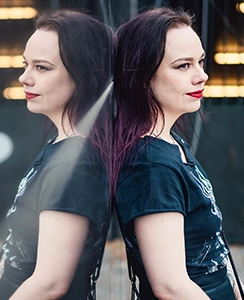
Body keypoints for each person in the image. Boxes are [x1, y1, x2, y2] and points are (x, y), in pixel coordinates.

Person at [0, 9, 113, 300]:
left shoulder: (78, 165)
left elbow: (50, 283)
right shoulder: (61, 147)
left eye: (42, 68)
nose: (25, 78)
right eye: (27, 65)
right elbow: (18, 250)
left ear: (82, 76)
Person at [113, 7, 241, 300]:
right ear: (143, 77)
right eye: (183, 66)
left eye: (200, 62)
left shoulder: (172, 143)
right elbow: (170, 286)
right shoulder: (150, 165)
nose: (202, 76)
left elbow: (212, 257)